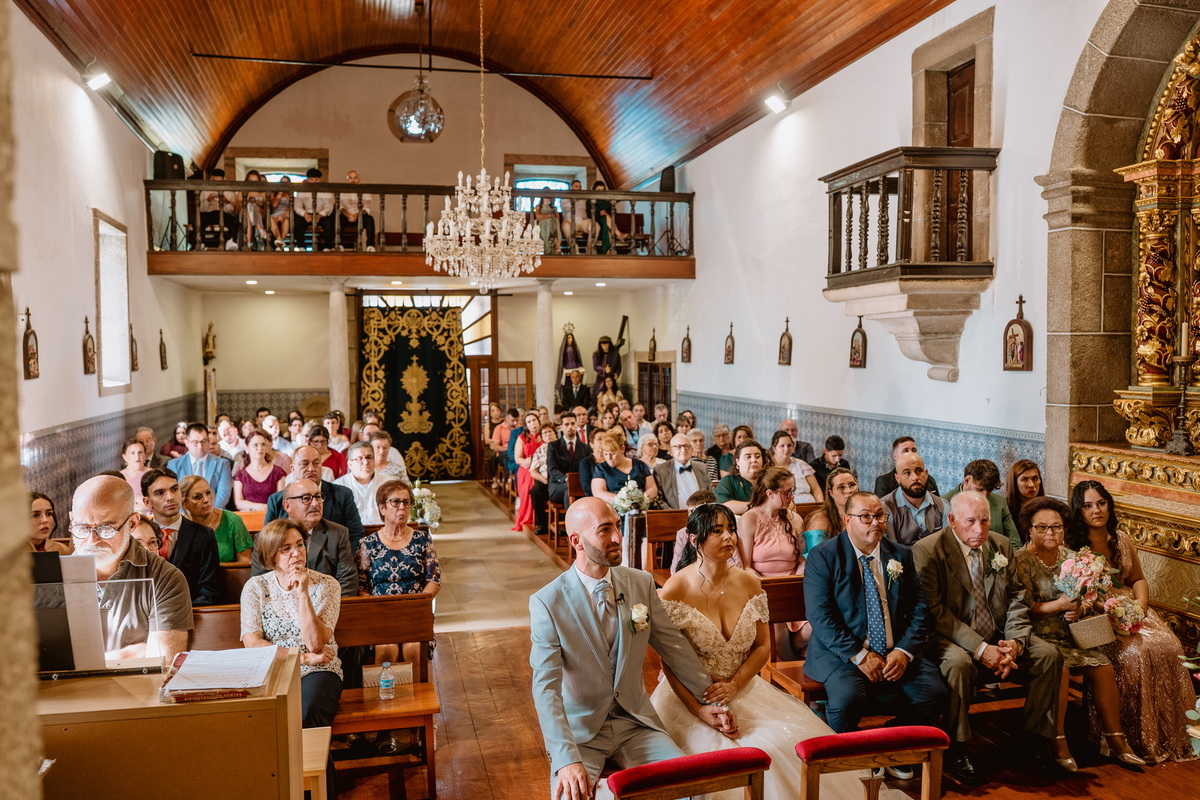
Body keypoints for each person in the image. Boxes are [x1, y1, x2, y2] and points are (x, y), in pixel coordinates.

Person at [652, 502, 909, 800]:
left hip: (743, 686)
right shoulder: (675, 589)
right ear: (695, 540)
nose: (728, 537)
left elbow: (762, 647)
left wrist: (735, 684)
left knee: (785, 745)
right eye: (717, 531)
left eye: (731, 529)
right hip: (692, 696)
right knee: (717, 764)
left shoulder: (749, 582)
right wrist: (699, 709)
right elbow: (669, 661)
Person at [529, 498, 731, 798]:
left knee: (690, 788)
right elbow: (545, 687)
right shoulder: (547, 602)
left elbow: (674, 647)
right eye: (604, 530)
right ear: (576, 541)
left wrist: (709, 701)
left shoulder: (640, 583)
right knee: (569, 796)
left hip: (636, 724)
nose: (617, 537)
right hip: (581, 735)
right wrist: (565, 758)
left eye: (617, 526)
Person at [911, 491, 1063, 785]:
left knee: (1048, 655)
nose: (979, 529)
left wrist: (1015, 642)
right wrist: (981, 649)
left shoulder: (1000, 545)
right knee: (958, 664)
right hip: (948, 636)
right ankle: (958, 747)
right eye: (970, 521)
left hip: (998, 632)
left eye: (984, 520)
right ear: (952, 520)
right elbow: (936, 612)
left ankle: (1035, 740)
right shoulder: (928, 550)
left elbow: (1017, 597)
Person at [803, 491, 947, 760]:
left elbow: (920, 608)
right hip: (843, 654)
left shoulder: (900, 554)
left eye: (880, 516)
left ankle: (889, 743)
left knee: (934, 693)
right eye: (866, 517)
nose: (875, 523)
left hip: (894, 652)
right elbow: (820, 616)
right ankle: (849, 759)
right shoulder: (824, 556)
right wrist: (860, 655)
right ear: (847, 520)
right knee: (847, 701)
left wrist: (903, 651)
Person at [1012, 496, 1146, 770]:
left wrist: (1080, 608)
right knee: (1059, 669)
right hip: (1038, 637)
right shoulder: (1020, 561)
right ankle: (1058, 740)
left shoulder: (1072, 558)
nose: (1050, 533)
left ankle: (1116, 740)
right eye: (1042, 527)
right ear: (1029, 529)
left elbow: (1088, 597)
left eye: (1057, 527)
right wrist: (1059, 605)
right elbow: (1023, 608)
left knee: (1103, 666)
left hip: (1073, 634)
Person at [1067, 480, 1196, 763]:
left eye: (1101, 503)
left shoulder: (1121, 539)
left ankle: (1174, 734)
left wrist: (1140, 605)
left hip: (1131, 608)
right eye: (1088, 506)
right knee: (1135, 654)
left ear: (1109, 505)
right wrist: (1108, 609)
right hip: (1095, 614)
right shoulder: (1073, 546)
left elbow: (1137, 578)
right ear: (1078, 511)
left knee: (1170, 645)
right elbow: (1078, 593)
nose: (1096, 510)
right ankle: (1132, 737)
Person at [70, 475, 192, 662]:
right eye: (82, 528)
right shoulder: (50, 576)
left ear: (132, 523)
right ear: (71, 519)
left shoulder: (165, 577)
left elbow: (163, 663)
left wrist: (82, 663)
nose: (92, 540)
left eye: (106, 528)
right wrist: (123, 655)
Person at [241, 518, 343, 728]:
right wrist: (303, 658)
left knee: (306, 711)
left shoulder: (327, 585)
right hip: (273, 669)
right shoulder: (256, 587)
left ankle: (311, 750)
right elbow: (252, 643)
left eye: (299, 545)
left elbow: (315, 644)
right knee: (259, 717)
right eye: (286, 548)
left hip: (319, 670)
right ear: (271, 555)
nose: (296, 553)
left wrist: (303, 594)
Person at [357, 480, 441, 667]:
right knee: (386, 649)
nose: (402, 507)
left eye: (406, 502)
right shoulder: (368, 544)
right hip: (381, 615)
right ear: (382, 508)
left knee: (413, 648)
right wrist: (380, 609)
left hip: (414, 612)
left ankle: (417, 687)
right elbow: (362, 587)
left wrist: (417, 605)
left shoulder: (422, 539)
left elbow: (434, 580)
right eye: (396, 502)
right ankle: (385, 686)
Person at [737, 466, 810, 658]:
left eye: (793, 490)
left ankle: (792, 660)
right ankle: (787, 669)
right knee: (778, 628)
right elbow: (745, 566)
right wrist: (768, 587)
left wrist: (797, 578)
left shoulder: (795, 519)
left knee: (817, 625)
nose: (792, 496)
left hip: (793, 585)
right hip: (762, 588)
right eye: (787, 492)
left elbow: (802, 559)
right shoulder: (749, 519)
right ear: (770, 493)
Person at [255, 477, 358, 597]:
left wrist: (328, 606)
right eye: (306, 498)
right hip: (280, 603)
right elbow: (260, 583)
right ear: (287, 505)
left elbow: (348, 582)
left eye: (318, 497)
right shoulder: (267, 537)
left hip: (326, 603)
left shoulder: (338, 534)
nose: (315, 504)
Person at [141, 469, 222, 606]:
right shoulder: (137, 536)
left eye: (174, 489)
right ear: (147, 502)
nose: (170, 497)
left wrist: (178, 611)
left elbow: (209, 591)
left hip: (190, 612)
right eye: (160, 493)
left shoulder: (203, 535)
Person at [265, 446, 365, 554]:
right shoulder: (277, 500)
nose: (311, 469)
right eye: (304, 464)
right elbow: (267, 540)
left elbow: (356, 534)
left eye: (316, 463)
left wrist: (344, 558)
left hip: (334, 559)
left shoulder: (342, 495)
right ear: (292, 468)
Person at [942, 459, 1021, 549]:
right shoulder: (944, 504)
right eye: (980, 489)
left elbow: (1014, 543)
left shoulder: (1000, 502)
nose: (984, 495)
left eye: (989, 490)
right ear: (967, 480)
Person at [179, 475, 253, 564]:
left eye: (208, 493)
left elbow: (245, 563)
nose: (206, 500)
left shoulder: (232, 521)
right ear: (184, 503)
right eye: (197, 497)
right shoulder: (180, 526)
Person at [881, 452, 946, 545]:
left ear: (926, 473)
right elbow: (891, 548)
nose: (915, 478)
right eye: (907, 473)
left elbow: (947, 544)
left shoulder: (943, 505)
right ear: (897, 478)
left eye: (919, 471)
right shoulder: (885, 507)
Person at [167, 422, 233, 509]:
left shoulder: (222, 464)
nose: (200, 446)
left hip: (214, 512)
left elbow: (223, 495)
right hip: (184, 513)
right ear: (187, 443)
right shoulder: (174, 465)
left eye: (203, 441)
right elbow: (173, 495)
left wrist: (207, 512)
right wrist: (188, 514)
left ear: (208, 441)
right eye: (195, 442)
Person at [801, 467, 858, 557]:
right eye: (841, 487)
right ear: (831, 493)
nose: (848, 490)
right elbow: (814, 556)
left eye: (852, 485)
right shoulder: (821, 519)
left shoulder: (865, 514)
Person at [591, 429, 658, 505]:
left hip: (640, 506)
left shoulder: (640, 465)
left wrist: (639, 500)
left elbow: (652, 489)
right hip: (614, 507)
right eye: (606, 454)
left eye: (612, 454)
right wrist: (624, 501)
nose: (609, 458)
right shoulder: (601, 468)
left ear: (622, 449)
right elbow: (599, 493)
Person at [335, 441, 389, 526]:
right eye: (360, 458)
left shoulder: (388, 483)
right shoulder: (339, 486)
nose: (366, 462)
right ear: (350, 464)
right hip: (351, 531)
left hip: (382, 529)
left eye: (369, 457)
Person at [233, 428, 288, 510]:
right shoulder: (240, 475)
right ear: (247, 448)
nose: (260, 448)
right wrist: (261, 507)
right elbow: (238, 503)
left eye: (263, 445)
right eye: (255, 445)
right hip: (248, 515)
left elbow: (280, 501)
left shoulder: (278, 472)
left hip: (272, 515)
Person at [653, 433, 709, 510]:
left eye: (686, 446)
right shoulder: (661, 470)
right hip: (673, 515)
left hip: (701, 514)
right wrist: (675, 514)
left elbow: (710, 493)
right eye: (678, 447)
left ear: (691, 449)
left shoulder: (702, 467)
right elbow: (659, 500)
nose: (683, 450)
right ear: (670, 451)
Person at [873, 437, 940, 498]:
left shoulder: (929, 479)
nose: (911, 454)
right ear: (895, 456)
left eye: (914, 450)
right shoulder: (884, 481)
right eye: (905, 451)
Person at [768, 430, 822, 503]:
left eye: (789, 445)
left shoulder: (801, 465)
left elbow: (816, 490)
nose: (786, 449)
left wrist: (820, 506)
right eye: (782, 446)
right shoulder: (768, 467)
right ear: (774, 448)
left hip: (810, 506)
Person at [714, 439, 766, 515]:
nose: (754, 460)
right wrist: (760, 508)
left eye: (757, 456)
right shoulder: (729, 481)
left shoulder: (770, 481)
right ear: (737, 461)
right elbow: (723, 505)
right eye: (748, 457)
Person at [512, 411, 542, 532]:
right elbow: (517, 458)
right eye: (529, 422)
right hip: (527, 468)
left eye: (534, 420)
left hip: (542, 467)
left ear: (538, 422)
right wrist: (527, 461)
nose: (532, 424)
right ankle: (528, 516)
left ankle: (540, 516)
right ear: (526, 425)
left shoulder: (544, 435)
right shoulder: (522, 438)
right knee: (530, 482)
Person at [294, 167, 335, 251]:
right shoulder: (302, 191)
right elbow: (297, 206)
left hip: (321, 214)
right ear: (308, 180)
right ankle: (301, 246)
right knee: (297, 222)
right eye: (311, 179)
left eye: (316, 180)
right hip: (307, 214)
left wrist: (320, 215)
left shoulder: (326, 191)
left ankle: (327, 246)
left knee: (329, 222)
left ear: (320, 179)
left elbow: (329, 207)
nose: (314, 182)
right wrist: (305, 214)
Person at [1005, 459, 1044, 543]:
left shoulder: (1047, 507)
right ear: (1014, 482)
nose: (1031, 485)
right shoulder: (1006, 508)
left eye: (1035, 478)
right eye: (1024, 480)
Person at [529, 426, 558, 536]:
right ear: (541, 437)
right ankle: (542, 525)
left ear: (555, 434)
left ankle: (565, 525)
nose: (548, 434)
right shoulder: (539, 450)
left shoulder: (562, 447)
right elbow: (533, 471)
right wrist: (543, 479)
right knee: (535, 491)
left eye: (550, 431)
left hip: (559, 481)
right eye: (545, 433)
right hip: (545, 481)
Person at [340, 169, 377, 251]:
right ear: (347, 179)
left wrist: (357, 215)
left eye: (355, 178)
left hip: (360, 216)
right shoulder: (342, 191)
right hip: (346, 215)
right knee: (338, 219)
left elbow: (367, 207)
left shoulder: (365, 191)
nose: (353, 180)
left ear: (359, 179)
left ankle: (370, 246)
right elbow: (340, 206)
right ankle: (340, 245)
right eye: (350, 178)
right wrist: (348, 215)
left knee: (370, 219)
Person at [591, 334, 622, 401]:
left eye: (606, 345)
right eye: (603, 345)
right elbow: (595, 366)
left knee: (613, 393)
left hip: (611, 377)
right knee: (598, 394)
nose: (605, 347)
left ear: (609, 344)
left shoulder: (615, 354)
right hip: (601, 378)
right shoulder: (596, 354)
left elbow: (619, 366)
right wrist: (604, 369)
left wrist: (617, 374)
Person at [118, 437, 150, 503]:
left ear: (145, 455)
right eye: (132, 453)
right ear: (124, 456)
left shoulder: (151, 474)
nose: (137, 457)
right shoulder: (119, 477)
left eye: (140, 452)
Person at [269, 175, 293, 249]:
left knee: (286, 221)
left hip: (286, 213)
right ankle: (279, 239)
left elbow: (292, 207)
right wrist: (279, 194)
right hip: (276, 213)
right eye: (282, 182)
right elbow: (274, 205)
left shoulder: (290, 194)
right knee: (271, 219)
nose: (284, 184)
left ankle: (280, 242)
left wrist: (285, 213)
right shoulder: (274, 193)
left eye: (286, 182)